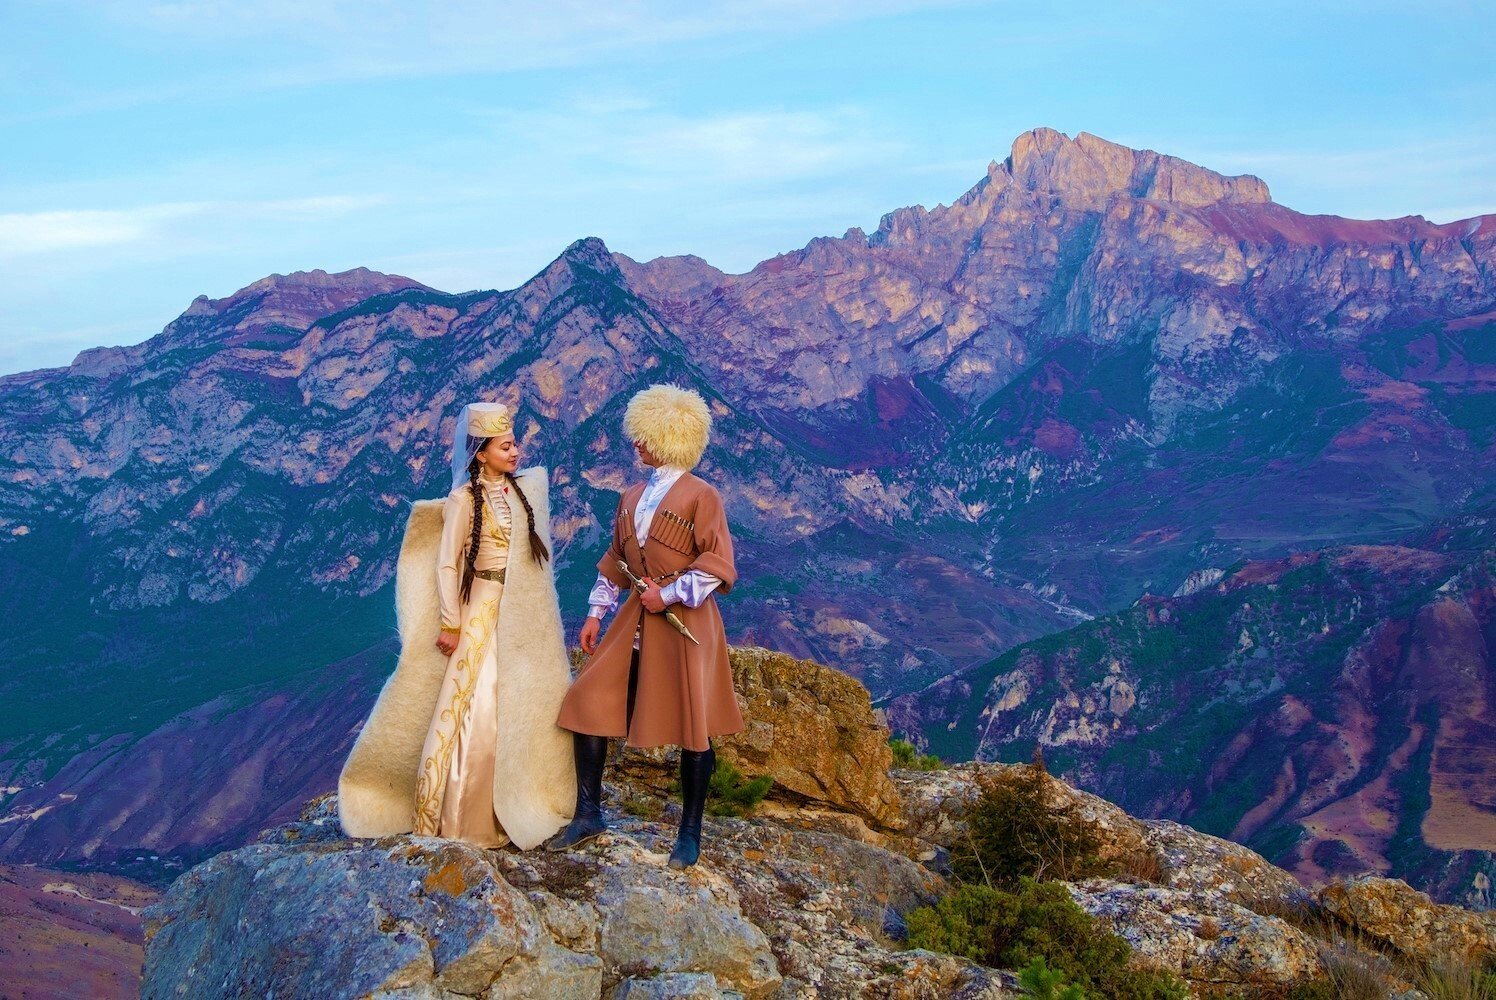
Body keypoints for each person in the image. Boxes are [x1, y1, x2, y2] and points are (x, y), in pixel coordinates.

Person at [338, 401, 576, 850]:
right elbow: (447, 564)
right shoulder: (463, 501)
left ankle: (514, 797)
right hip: (481, 609)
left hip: (518, 614)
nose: (516, 452)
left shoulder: (519, 492)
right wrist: (450, 622)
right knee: (475, 704)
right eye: (505, 446)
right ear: (480, 454)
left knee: (516, 703)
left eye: (515, 444)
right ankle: (464, 817)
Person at [548, 383, 745, 868]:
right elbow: (617, 559)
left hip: (686, 622)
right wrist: (596, 612)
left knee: (693, 726)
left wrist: (669, 594)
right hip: (634, 618)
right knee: (586, 699)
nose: (636, 443)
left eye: (645, 435)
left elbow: (717, 564)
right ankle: (589, 814)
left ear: (668, 437)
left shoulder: (703, 496)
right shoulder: (631, 495)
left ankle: (689, 835)